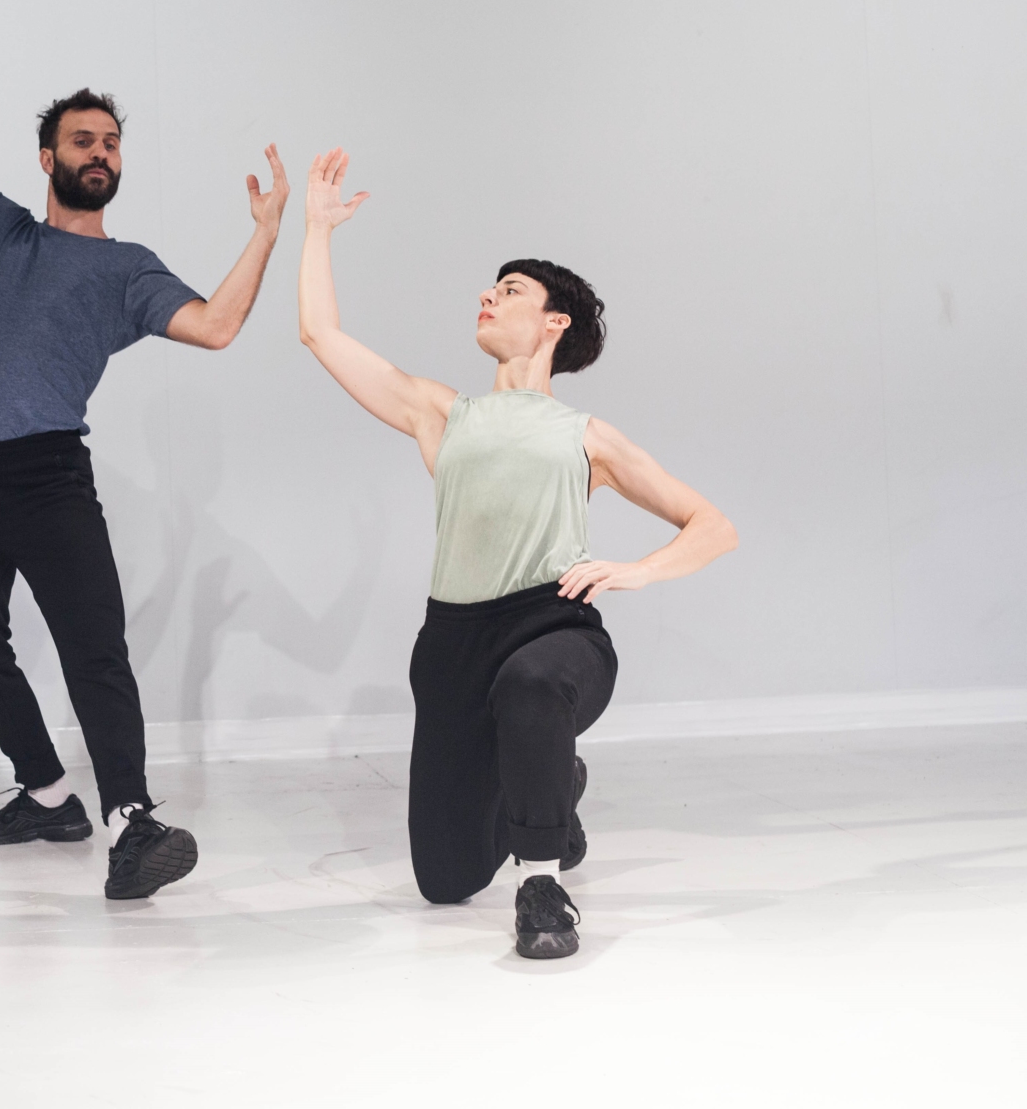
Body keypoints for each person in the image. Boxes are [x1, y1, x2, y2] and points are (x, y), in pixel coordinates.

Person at [0, 0, 290, 899]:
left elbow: (216, 326)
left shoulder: (128, 269)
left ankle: (131, 821)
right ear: (46, 157)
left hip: (49, 476)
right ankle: (49, 791)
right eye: (79, 140)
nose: (98, 152)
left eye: (110, 143)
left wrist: (264, 231)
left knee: (92, 647)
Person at [295, 149, 737, 958]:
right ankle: (552, 788)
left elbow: (712, 524)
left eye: (509, 292)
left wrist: (633, 571)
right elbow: (319, 334)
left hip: (550, 628)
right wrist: (318, 230)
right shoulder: (442, 413)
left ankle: (544, 888)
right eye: (490, 288)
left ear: (553, 323)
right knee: (445, 878)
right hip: (453, 643)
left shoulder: (585, 436)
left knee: (533, 690)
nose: (487, 299)